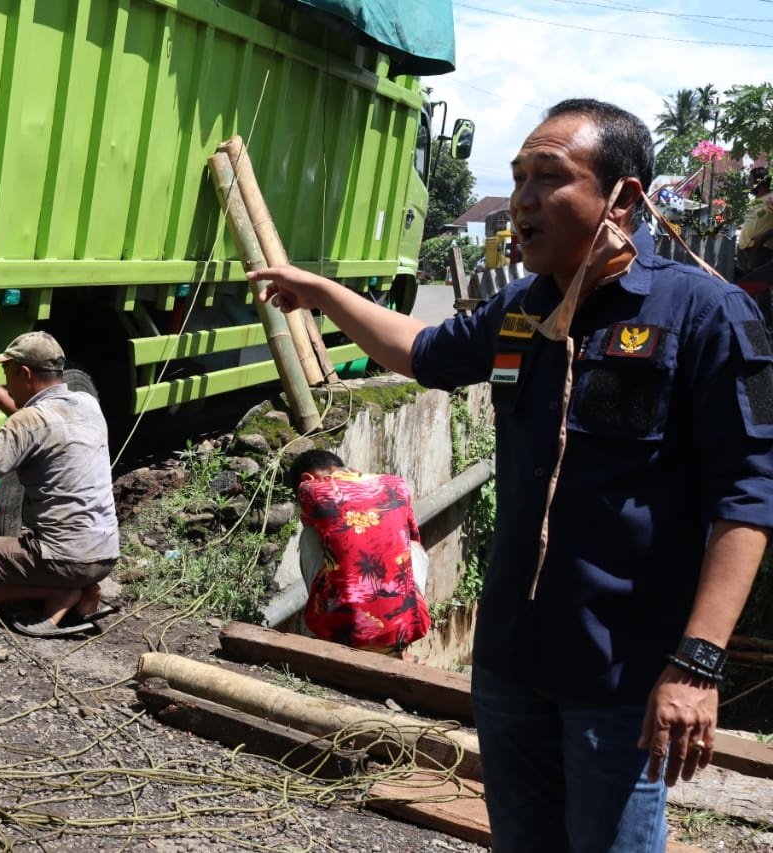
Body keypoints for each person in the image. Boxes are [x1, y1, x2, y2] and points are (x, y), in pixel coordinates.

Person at [248, 99, 773, 851]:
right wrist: (324, 293)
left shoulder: (707, 315)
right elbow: (420, 350)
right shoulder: (521, 312)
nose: (523, 202)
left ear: (622, 196)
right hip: (511, 664)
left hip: (621, 673)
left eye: (548, 178)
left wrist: (697, 662)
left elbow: (748, 495)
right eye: (518, 177)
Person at [0, 332, 120, 637]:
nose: (7, 382)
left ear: (24, 373)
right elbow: (28, 417)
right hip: (104, 555)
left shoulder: (30, 421)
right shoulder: (85, 403)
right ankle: (82, 588)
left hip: (64, 559)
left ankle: (55, 594)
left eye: (7, 374)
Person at [289, 449, 429, 660]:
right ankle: (397, 644)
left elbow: (314, 521)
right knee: (412, 547)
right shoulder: (396, 484)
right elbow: (414, 537)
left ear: (306, 479)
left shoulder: (309, 489)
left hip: (342, 631)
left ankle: (327, 634)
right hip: (408, 625)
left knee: (310, 535)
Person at [736, 166, 773, 324]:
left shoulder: (771, 198)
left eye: (750, 180)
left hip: (760, 250)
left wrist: (763, 236)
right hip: (744, 250)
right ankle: (751, 323)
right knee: (746, 288)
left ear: (759, 182)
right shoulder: (753, 203)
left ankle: (765, 324)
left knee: (759, 289)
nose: (748, 183)